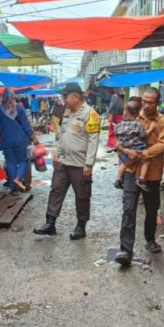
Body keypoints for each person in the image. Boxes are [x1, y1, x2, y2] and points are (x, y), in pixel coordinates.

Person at [34, 82, 101, 240]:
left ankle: (81, 226)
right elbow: (61, 135)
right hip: (63, 162)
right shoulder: (67, 112)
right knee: (56, 190)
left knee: (82, 196)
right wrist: (56, 154)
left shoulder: (90, 114)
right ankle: (50, 223)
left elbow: (93, 141)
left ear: (76, 97)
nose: (63, 99)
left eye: (66, 96)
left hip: (80, 164)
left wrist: (89, 164)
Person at [115, 87, 164, 266]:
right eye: (144, 101)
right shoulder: (132, 116)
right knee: (128, 209)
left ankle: (150, 239)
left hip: (152, 173)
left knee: (151, 209)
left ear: (158, 103)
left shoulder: (163, 122)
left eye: (150, 102)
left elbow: (161, 146)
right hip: (131, 172)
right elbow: (117, 141)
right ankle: (125, 250)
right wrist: (126, 151)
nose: (146, 105)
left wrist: (141, 154)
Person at [0, 88, 39, 194]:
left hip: (7, 141)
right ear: (13, 96)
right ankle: (18, 178)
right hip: (21, 140)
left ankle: (14, 189)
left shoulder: (0, 110)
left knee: (10, 163)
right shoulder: (19, 107)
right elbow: (25, 125)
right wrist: (33, 137)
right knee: (23, 161)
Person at [114, 99, 152, 191]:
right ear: (137, 114)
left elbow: (116, 134)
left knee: (124, 164)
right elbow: (143, 135)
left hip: (125, 149)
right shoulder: (137, 124)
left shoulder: (119, 125)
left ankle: (118, 179)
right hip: (137, 148)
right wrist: (151, 128)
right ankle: (141, 179)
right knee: (146, 161)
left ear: (125, 112)